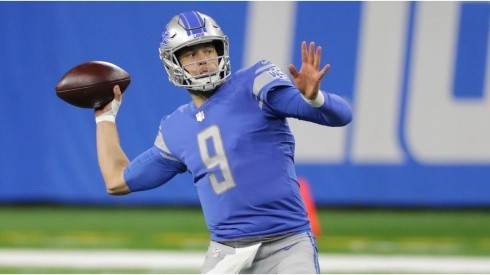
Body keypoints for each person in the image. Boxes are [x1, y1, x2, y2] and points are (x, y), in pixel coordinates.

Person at [94, 11, 352, 274]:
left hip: (287, 244)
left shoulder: (254, 83)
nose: (203, 60)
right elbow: (116, 181)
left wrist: (315, 98)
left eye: (208, 50)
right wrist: (106, 118)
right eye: (192, 55)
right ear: (174, 63)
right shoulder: (175, 127)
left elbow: (341, 116)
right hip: (226, 252)